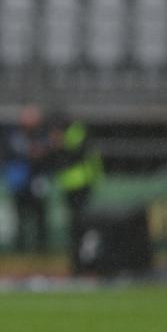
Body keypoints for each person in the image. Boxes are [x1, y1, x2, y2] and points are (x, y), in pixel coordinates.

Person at [51, 115, 102, 274]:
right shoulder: (75, 134)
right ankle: (80, 261)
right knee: (77, 225)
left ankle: (84, 261)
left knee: (80, 225)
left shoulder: (76, 134)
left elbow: (74, 154)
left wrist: (61, 144)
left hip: (80, 184)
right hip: (74, 184)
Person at [1, 105, 52, 252]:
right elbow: (28, 151)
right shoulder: (16, 135)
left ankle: (41, 248)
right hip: (20, 181)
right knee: (20, 217)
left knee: (40, 216)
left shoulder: (42, 134)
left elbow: (45, 150)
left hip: (37, 180)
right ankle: (20, 248)